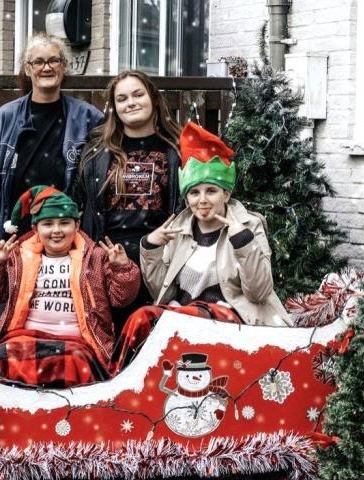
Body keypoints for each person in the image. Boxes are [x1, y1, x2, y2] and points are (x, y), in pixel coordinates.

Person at [111, 122, 292, 373]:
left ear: (226, 194)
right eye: (194, 192)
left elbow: (258, 293)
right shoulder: (179, 227)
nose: (202, 200)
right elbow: (159, 291)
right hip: (185, 315)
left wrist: (243, 243)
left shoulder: (250, 225)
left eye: (211, 191)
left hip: (232, 317)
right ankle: (115, 381)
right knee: (141, 318)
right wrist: (151, 248)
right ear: (186, 198)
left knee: (183, 323)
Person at [0, 34, 103, 342]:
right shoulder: (5, 118)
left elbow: (105, 180)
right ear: (27, 68)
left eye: (53, 60)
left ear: (64, 67)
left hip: (66, 248)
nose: (46, 67)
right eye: (38, 61)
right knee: (4, 340)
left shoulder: (88, 119)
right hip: (10, 246)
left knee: (63, 336)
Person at [0, 186, 140, 387]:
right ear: (36, 229)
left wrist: (121, 268)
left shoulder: (96, 257)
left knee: (75, 361)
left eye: (64, 223)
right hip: (24, 339)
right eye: (48, 224)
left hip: (77, 344)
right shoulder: (17, 257)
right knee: (1, 360)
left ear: (77, 225)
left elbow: (121, 298)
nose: (56, 231)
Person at [74, 70, 182, 320]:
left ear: (153, 99)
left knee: (154, 339)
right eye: (122, 99)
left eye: (138, 94)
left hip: (160, 258)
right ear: (114, 107)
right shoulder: (95, 152)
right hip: (109, 259)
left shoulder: (176, 148)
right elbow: (79, 203)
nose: (131, 102)